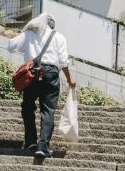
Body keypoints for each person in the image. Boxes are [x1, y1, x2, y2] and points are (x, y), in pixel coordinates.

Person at [7, 11, 76, 158]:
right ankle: (42, 145)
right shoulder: (59, 37)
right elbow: (64, 62)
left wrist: (25, 32)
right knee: (48, 110)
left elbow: (11, 45)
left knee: (27, 107)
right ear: (52, 25)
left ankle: (31, 141)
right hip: (51, 73)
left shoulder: (29, 34)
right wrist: (70, 80)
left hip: (32, 73)